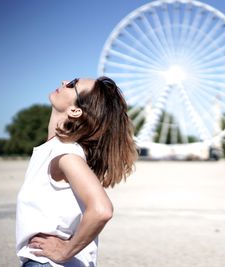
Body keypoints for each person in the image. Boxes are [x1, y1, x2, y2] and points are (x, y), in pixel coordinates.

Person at [16, 76, 138, 266]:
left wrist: (65, 251)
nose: (64, 82)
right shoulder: (55, 150)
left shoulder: (65, 154)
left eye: (73, 84)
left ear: (75, 110)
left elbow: (101, 209)